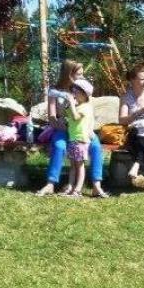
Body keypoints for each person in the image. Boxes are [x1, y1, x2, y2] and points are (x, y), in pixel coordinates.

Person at [35, 60, 107, 198]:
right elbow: (52, 117)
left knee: (96, 146)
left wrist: (89, 130)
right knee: (59, 146)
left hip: (81, 129)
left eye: (82, 74)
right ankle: (51, 184)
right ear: (68, 74)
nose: (82, 77)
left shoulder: (83, 89)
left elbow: (89, 112)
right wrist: (62, 127)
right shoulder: (55, 91)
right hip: (62, 127)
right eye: (79, 74)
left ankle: (96, 185)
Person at [60, 79, 96, 198]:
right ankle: (70, 187)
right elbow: (64, 113)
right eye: (73, 91)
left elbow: (75, 117)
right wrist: (67, 103)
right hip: (73, 139)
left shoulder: (86, 107)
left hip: (81, 140)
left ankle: (78, 190)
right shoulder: (77, 106)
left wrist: (71, 103)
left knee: (80, 166)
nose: (74, 93)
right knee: (72, 166)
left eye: (76, 91)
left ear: (85, 94)